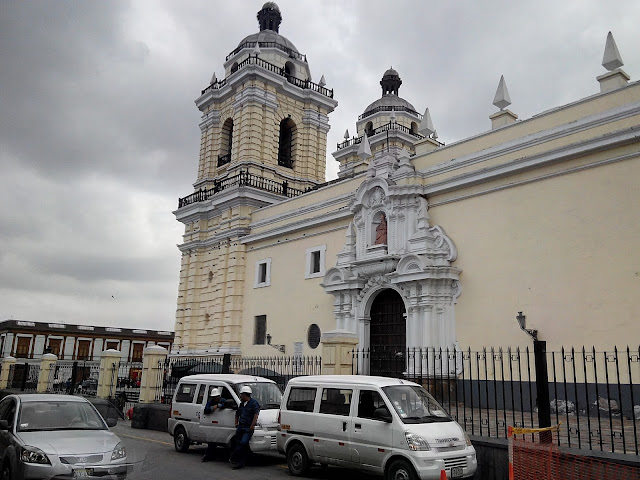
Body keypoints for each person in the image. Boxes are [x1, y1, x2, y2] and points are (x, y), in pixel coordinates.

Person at [229, 385, 260, 470]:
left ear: (245, 395)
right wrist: (236, 423)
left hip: (247, 428)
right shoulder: (241, 404)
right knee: (240, 444)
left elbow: (255, 415)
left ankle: (233, 456)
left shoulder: (254, 403)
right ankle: (240, 462)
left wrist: (252, 426)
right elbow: (237, 414)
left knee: (243, 442)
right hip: (241, 426)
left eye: (241, 395)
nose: (240, 396)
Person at [201, 388, 227, 462]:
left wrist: (220, 406)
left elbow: (227, 404)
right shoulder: (211, 402)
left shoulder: (223, 400)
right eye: (214, 398)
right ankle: (208, 456)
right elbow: (206, 410)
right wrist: (214, 407)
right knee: (212, 441)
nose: (215, 399)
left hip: (222, 423)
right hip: (213, 422)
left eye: (216, 398)